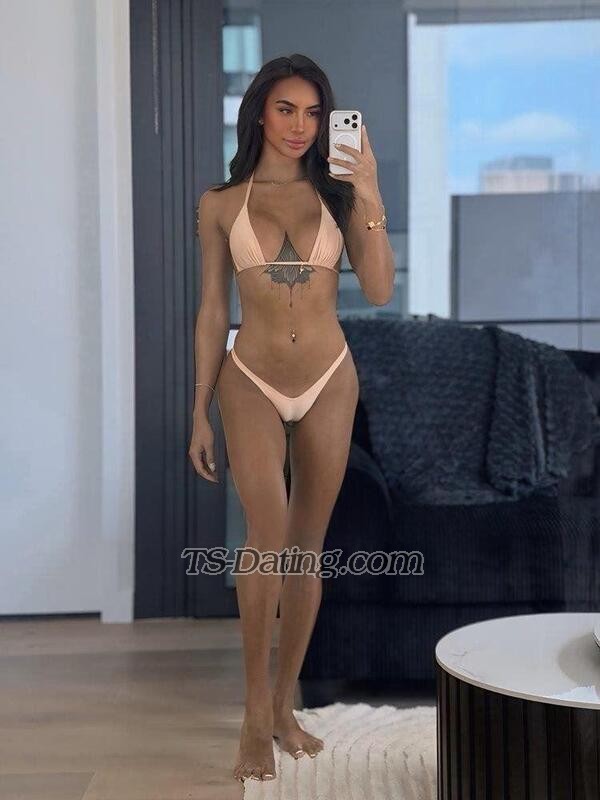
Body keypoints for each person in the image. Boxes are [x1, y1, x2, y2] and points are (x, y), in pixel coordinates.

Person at [189, 53, 394, 784]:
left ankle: (283, 706)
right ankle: (253, 712)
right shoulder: (221, 203)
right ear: (259, 113)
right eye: (286, 109)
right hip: (249, 378)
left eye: (313, 112)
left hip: (330, 379)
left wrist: (368, 188)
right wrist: (199, 408)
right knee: (267, 539)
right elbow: (213, 310)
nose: (301, 125)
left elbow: (378, 288)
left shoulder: (340, 196)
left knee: (307, 548)